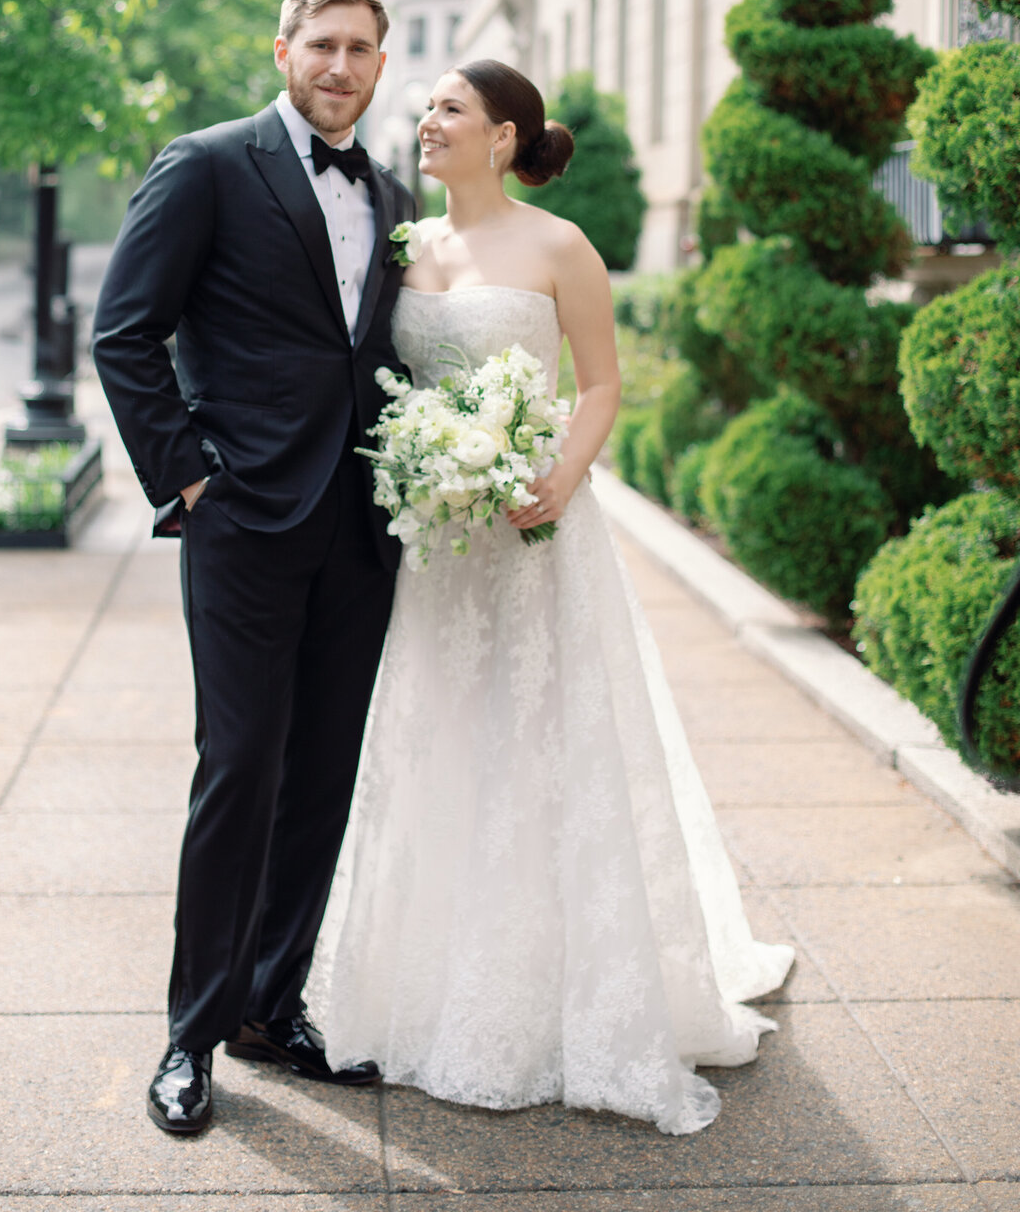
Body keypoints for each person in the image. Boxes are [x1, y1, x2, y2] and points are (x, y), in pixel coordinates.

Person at [308, 59, 793, 1133]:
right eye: (426, 106)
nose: (426, 122)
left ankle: (569, 989)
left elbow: (602, 380)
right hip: (435, 542)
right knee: (439, 740)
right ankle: (421, 978)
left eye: (450, 110)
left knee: (539, 743)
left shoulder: (559, 246)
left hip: (534, 530)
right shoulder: (402, 243)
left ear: (505, 139)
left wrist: (557, 478)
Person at [92, 0, 417, 1134]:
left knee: (322, 776)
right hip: (242, 521)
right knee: (240, 770)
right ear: (282, 47)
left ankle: (271, 1009)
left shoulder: (392, 189)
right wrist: (188, 476)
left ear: (384, 64)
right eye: (322, 43)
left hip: (361, 531)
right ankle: (191, 1037)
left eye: (362, 48)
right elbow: (123, 330)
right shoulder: (207, 163)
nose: (340, 66)